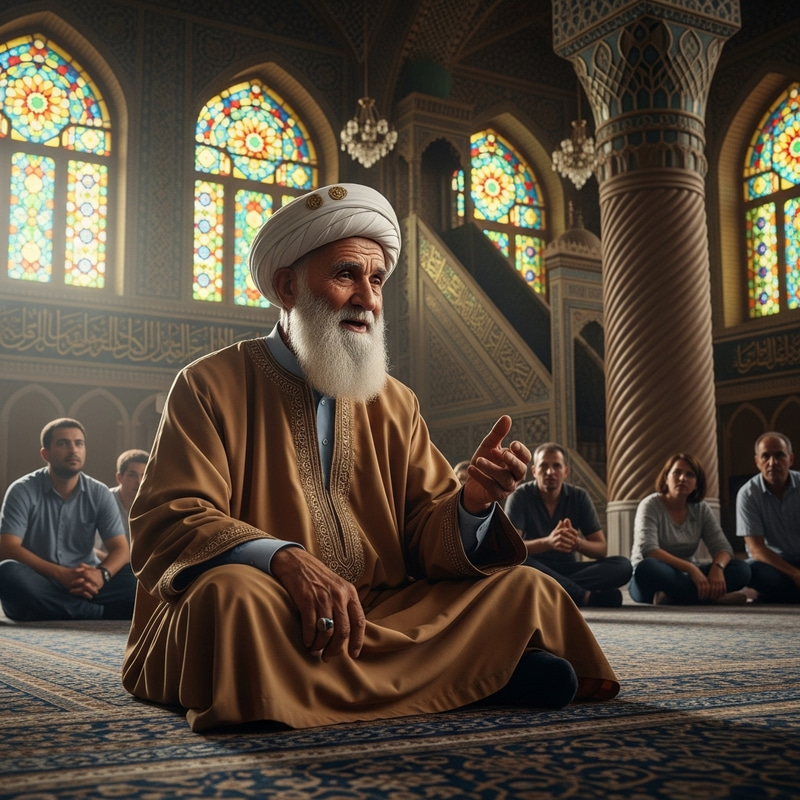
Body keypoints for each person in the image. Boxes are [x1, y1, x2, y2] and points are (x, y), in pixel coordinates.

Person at [122, 183, 619, 732]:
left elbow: (425, 532)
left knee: (526, 586)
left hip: (383, 610)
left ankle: (314, 688)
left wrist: (472, 506)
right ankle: (473, 674)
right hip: (281, 607)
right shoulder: (208, 384)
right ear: (287, 287)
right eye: (346, 275)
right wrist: (283, 558)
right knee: (232, 599)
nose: (367, 298)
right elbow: (171, 517)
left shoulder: (396, 402)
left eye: (376, 279)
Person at [0, 418, 138, 621]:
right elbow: (7, 547)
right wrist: (61, 575)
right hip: (40, 580)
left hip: (87, 582)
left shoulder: (99, 492)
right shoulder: (22, 490)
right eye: (63, 443)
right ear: (45, 454)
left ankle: (53, 609)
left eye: (79, 443)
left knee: (137, 578)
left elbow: (121, 549)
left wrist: (101, 575)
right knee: (7, 573)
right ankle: (97, 612)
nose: (73, 450)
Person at [505, 443, 632, 608]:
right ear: (534, 471)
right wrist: (548, 543)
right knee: (515, 565)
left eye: (557, 466)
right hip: (534, 566)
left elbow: (601, 549)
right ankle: (583, 596)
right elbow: (510, 549)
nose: (550, 472)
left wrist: (577, 543)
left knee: (623, 566)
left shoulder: (579, 496)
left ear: (566, 471)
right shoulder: (520, 496)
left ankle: (549, 589)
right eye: (544, 466)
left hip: (569, 568)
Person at [629, 453, 751, 605]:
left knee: (742, 569)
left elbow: (723, 548)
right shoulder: (650, 505)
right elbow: (650, 550)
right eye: (677, 472)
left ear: (697, 484)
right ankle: (713, 598)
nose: (682, 478)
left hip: (684, 576)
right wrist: (691, 569)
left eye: (690, 475)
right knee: (647, 568)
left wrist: (717, 568)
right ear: (666, 478)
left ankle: (672, 597)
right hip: (656, 575)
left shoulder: (701, 509)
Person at [736, 432, 800, 603]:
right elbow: (756, 549)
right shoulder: (748, 494)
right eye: (765, 456)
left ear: (790, 459)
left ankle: (781, 596)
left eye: (779, 455)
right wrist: (795, 574)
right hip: (775, 565)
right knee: (749, 569)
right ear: (757, 461)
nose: (773, 462)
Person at [110, 449, 149, 537]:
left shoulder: (153, 504)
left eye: (144, 476)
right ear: (119, 478)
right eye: (132, 475)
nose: (139, 482)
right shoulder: (105, 500)